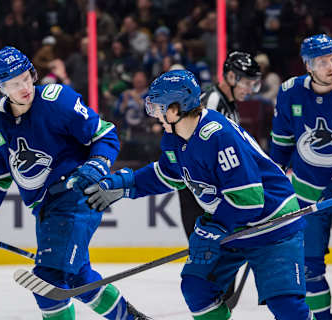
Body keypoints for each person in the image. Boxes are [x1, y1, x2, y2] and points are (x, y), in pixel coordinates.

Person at [83, 69, 314, 319]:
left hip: (271, 225)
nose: (155, 115)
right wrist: (122, 184)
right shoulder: (174, 138)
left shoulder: (218, 136)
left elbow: (249, 201)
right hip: (235, 227)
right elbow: (166, 174)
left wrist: (213, 229)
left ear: (175, 109)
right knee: (197, 289)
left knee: (286, 305)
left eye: (158, 107)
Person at [0, 46, 150, 320]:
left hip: (78, 195)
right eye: (14, 83)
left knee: (48, 280)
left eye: (26, 77)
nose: (24, 87)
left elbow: (106, 135)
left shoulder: (59, 101)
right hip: (45, 208)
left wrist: (95, 165)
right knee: (79, 279)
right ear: (0, 86)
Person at [270, 34, 332, 320]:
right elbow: (281, 144)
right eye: (322, 61)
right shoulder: (290, 91)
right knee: (309, 268)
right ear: (308, 66)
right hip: (307, 195)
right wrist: (272, 184)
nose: (331, 66)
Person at [178, 51, 262, 239]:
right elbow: (198, 148)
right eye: (247, 82)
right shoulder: (211, 102)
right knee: (206, 250)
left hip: (208, 185)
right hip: (198, 186)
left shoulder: (229, 104)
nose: (250, 89)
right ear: (231, 77)